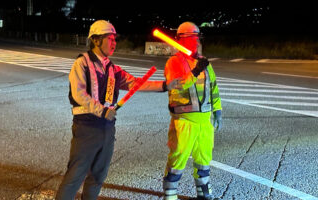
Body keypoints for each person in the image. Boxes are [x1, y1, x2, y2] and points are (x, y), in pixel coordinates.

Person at [56, 20, 178, 200]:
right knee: (76, 175)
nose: (114, 42)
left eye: (115, 39)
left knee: (98, 175)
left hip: (107, 128)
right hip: (86, 127)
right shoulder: (82, 63)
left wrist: (164, 85)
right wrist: (102, 111)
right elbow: (79, 93)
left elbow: (135, 84)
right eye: (110, 38)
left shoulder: (112, 69)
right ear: (96, 40)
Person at [162, 22, 223, 200]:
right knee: (177, 160)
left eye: (197, 38)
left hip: (204, 121)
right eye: (191, 38)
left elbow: (213, 88)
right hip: (184, 122)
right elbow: (178, 86)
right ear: (181, 41)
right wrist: (195, 71)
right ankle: (170, 195)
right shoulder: (174, 62)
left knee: (204, 160)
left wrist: (217, 111)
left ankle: (204, 194)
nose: (195, 42)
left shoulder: (204, 63)